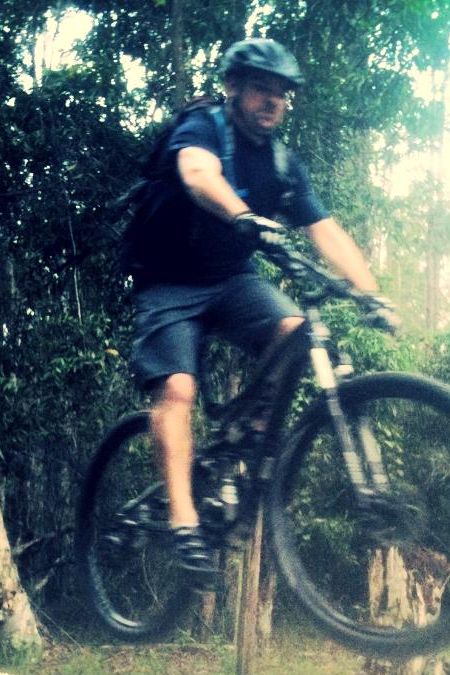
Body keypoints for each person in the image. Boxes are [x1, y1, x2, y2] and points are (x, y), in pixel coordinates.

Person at [128, 37, 380, 576]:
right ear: (234, 89)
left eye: (282, 94)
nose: (272, 101)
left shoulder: (284, 164)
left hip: (230, 279)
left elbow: (325, 230)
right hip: (168, 282)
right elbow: (198, 175)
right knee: (177, 388)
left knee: (294, 331)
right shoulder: (203, 128)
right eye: (261, 90)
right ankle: (183, 519)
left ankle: (245, 444)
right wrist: (244, 216)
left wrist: (369, 294)